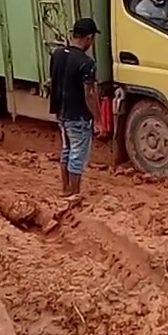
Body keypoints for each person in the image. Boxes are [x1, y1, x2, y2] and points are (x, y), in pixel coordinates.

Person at [49, 18, 101, 201]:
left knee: (67, 150)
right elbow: (89, 94)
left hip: (61, 113)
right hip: (78, 115)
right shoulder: (86, 63)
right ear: (88, 38)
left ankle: (65, 190)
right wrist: (99, 120)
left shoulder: (57, 55)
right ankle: (74, 195)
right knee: (78, 155)